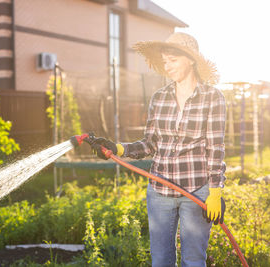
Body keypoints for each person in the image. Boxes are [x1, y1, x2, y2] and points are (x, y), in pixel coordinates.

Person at [92, 32, 226, 267]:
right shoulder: (159, 98)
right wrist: (119, 148)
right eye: (165, 62)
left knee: (194, 260)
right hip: (159, 191)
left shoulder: (213, 98)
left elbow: (215, 147)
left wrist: (215, 192)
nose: (168, 67)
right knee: (161, 261)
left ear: (191, 60)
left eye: (173, 61)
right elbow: (151, 143)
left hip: (195, 191)